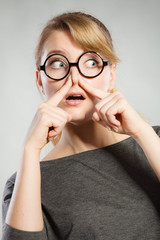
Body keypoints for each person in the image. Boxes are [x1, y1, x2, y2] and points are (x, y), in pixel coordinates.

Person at [2, 11, 160, 240]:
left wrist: (142, 132)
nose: (74, 77)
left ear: (111, 74)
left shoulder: (154, 140)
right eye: (58, 63)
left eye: (91, 62)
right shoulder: (25, 182)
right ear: (40, 79)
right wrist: (30, 150)